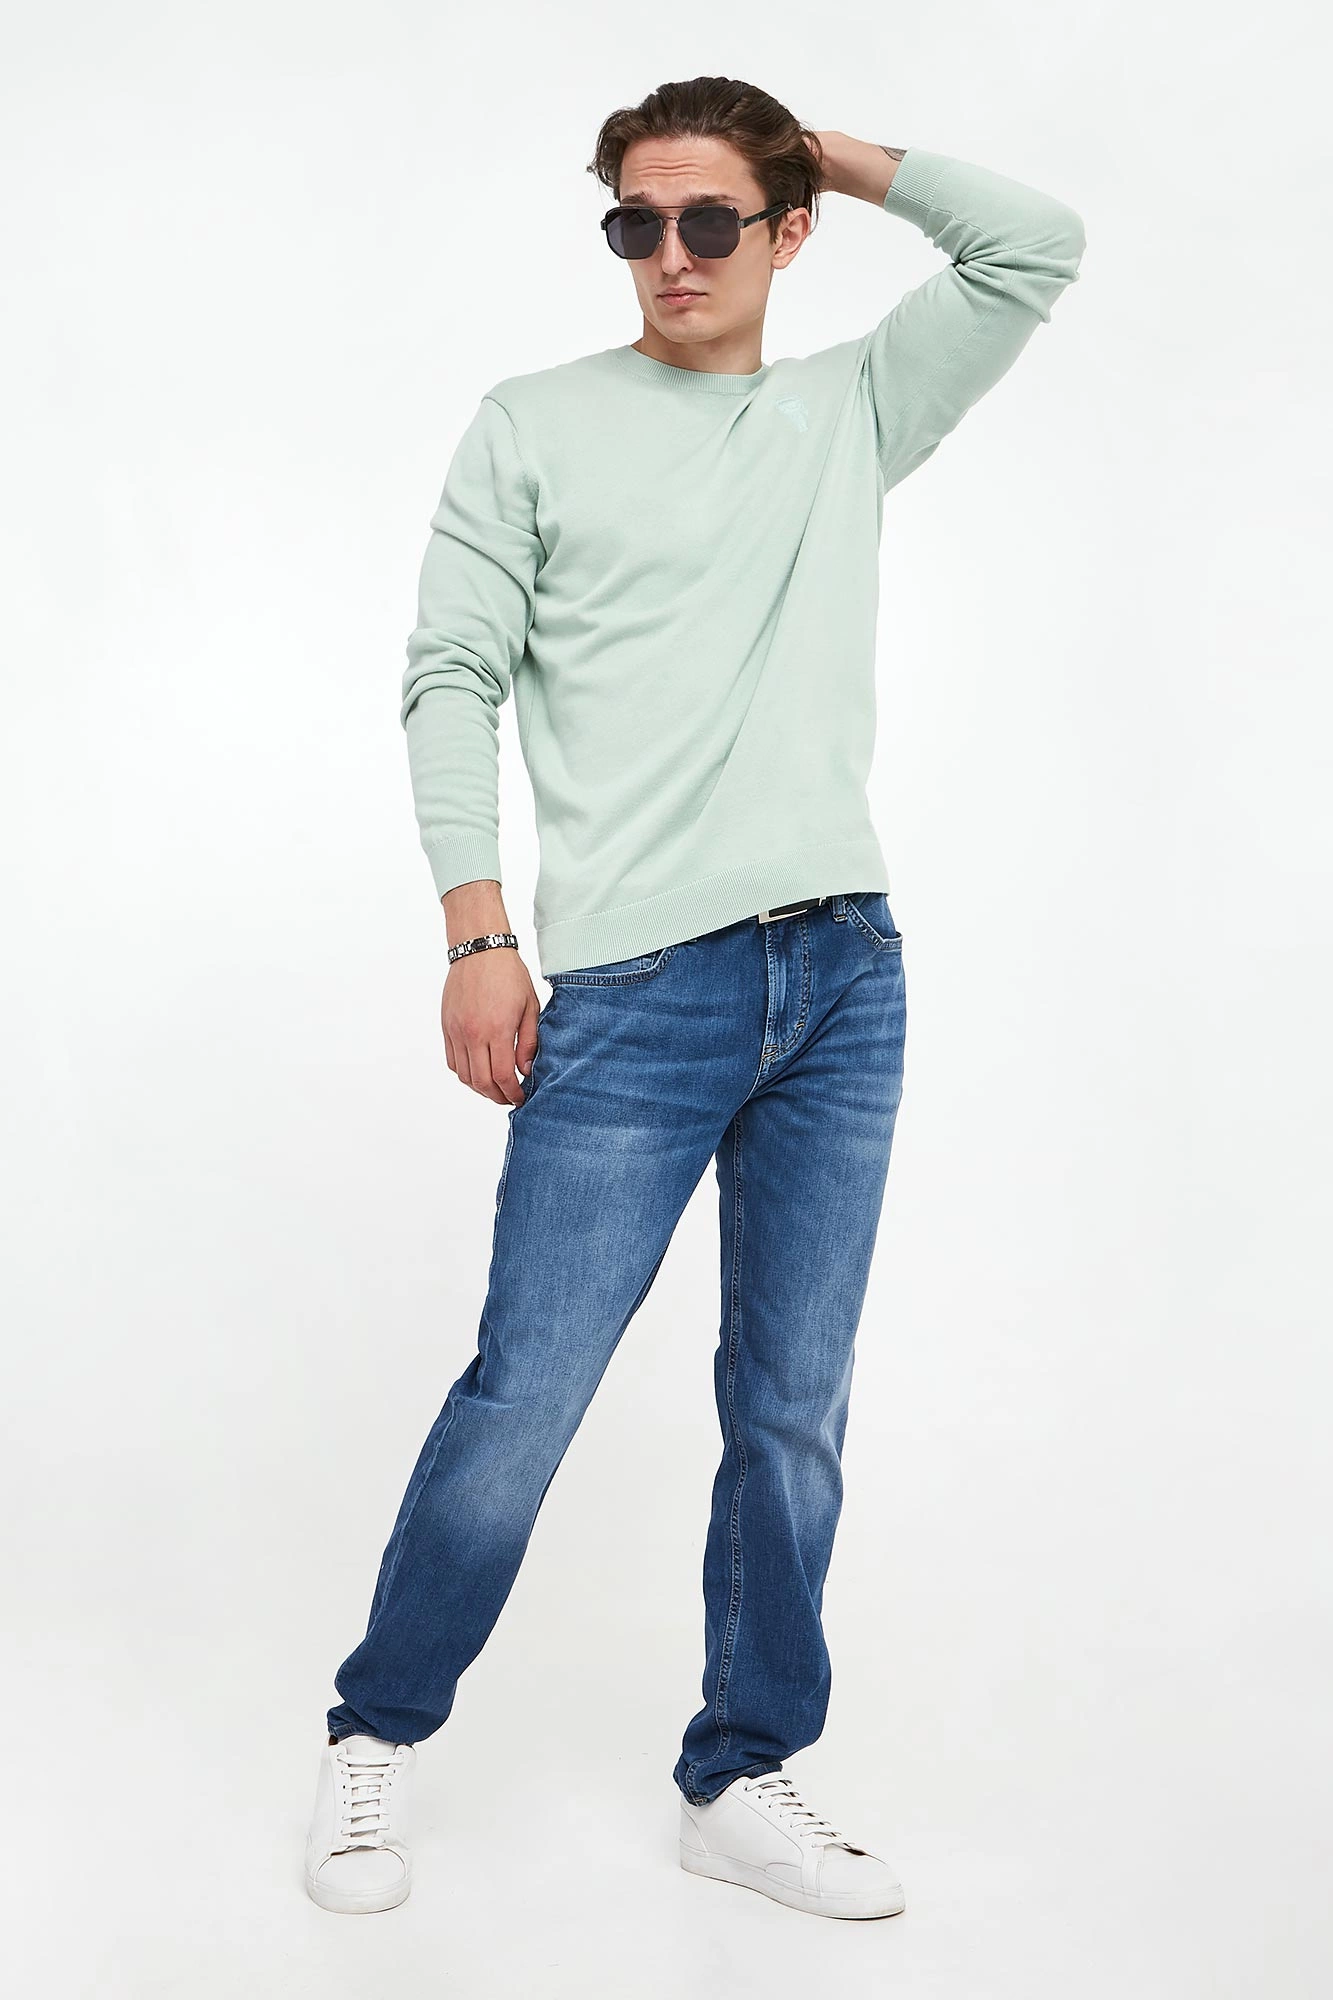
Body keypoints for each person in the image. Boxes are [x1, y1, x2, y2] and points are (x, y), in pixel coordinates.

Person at [305, 73, 1085, 1920]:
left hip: (845, 972)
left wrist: (834, 148)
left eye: (714, 218)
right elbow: (448, 673)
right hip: (635, 989)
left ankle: (741, 1771)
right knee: (527, 1392)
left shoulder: (850, 409)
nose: (671, 253)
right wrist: (476, 932)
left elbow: (1033, 245)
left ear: (787, 233)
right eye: (636, 222)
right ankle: (375, 1732)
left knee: (793, 1404)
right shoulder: (533, 423)